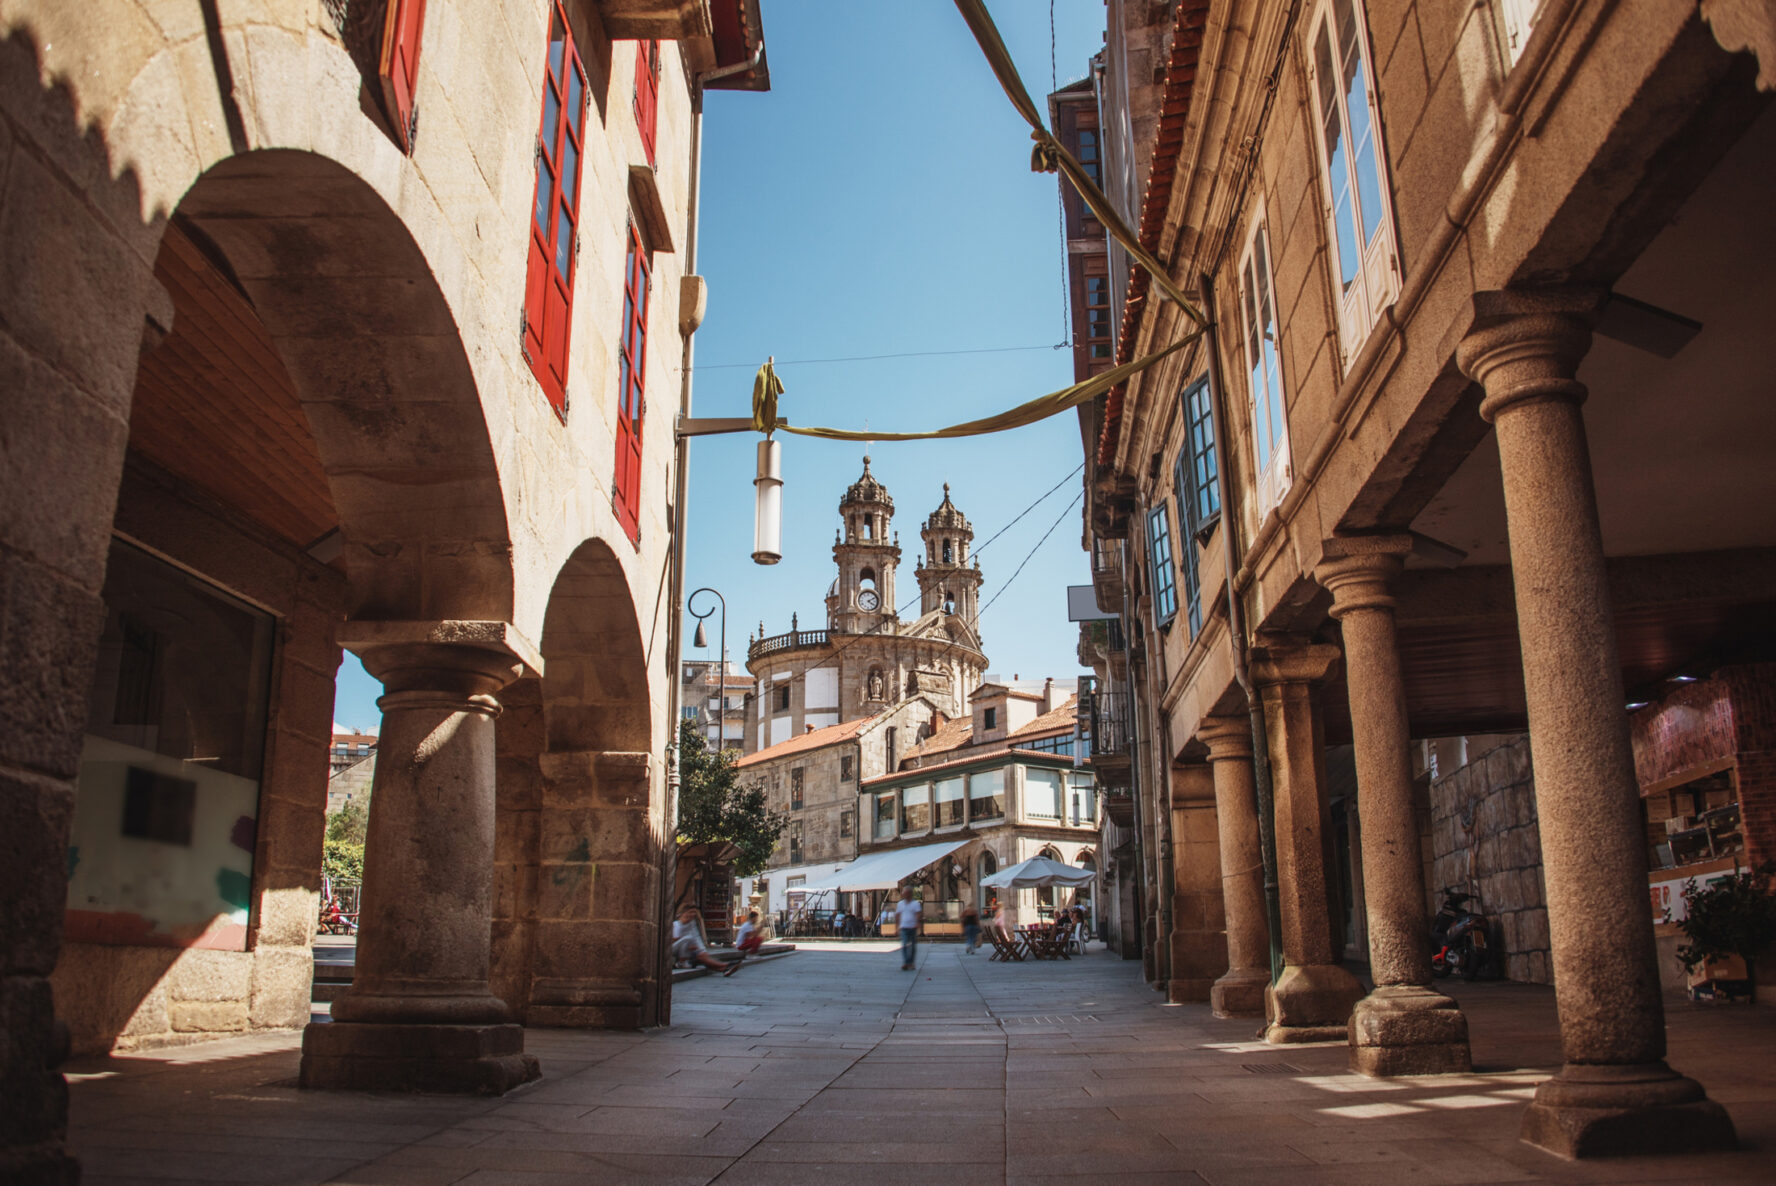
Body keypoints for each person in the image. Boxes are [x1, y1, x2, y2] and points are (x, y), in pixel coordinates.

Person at [672, 905, 737, 977]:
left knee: (702, 957)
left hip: (689, 951)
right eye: (690, 912)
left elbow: (697, 938)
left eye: (694, 913)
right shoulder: (677, 924)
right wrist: (689, 945)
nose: (692, 915)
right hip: (676, 949)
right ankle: (726, 965)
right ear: (684, 913)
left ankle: (724, 968)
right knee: (688, 938)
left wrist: (702, 951)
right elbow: (675, 940)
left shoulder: (692, 924)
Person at [895, 886, 922, 971]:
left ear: (910, 893)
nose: (904, 895)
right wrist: (896, 927)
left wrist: (918, 924)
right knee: (904, 945)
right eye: (904, 893)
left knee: (913, 946)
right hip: (903, 927)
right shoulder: (900, 904)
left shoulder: (916, 904)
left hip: (912, 927)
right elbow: (898, 915)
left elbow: (918, 915)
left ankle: (911, 962)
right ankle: (906, 963)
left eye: (906, 893)